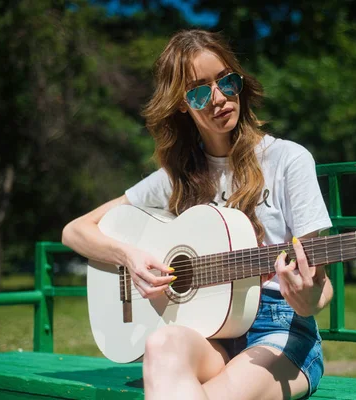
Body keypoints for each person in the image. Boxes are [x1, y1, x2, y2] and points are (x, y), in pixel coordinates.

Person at [62, 29, 333, 400]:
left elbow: (320, 285)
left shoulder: (288, 160)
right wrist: (130, 257)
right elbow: (76, 231)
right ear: (181, 105)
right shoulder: (177, 177)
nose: (219, 98)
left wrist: (307, 297)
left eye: (227, 82)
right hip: (206, 330)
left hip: (279, 329)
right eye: (200, 91)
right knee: (161, 344)